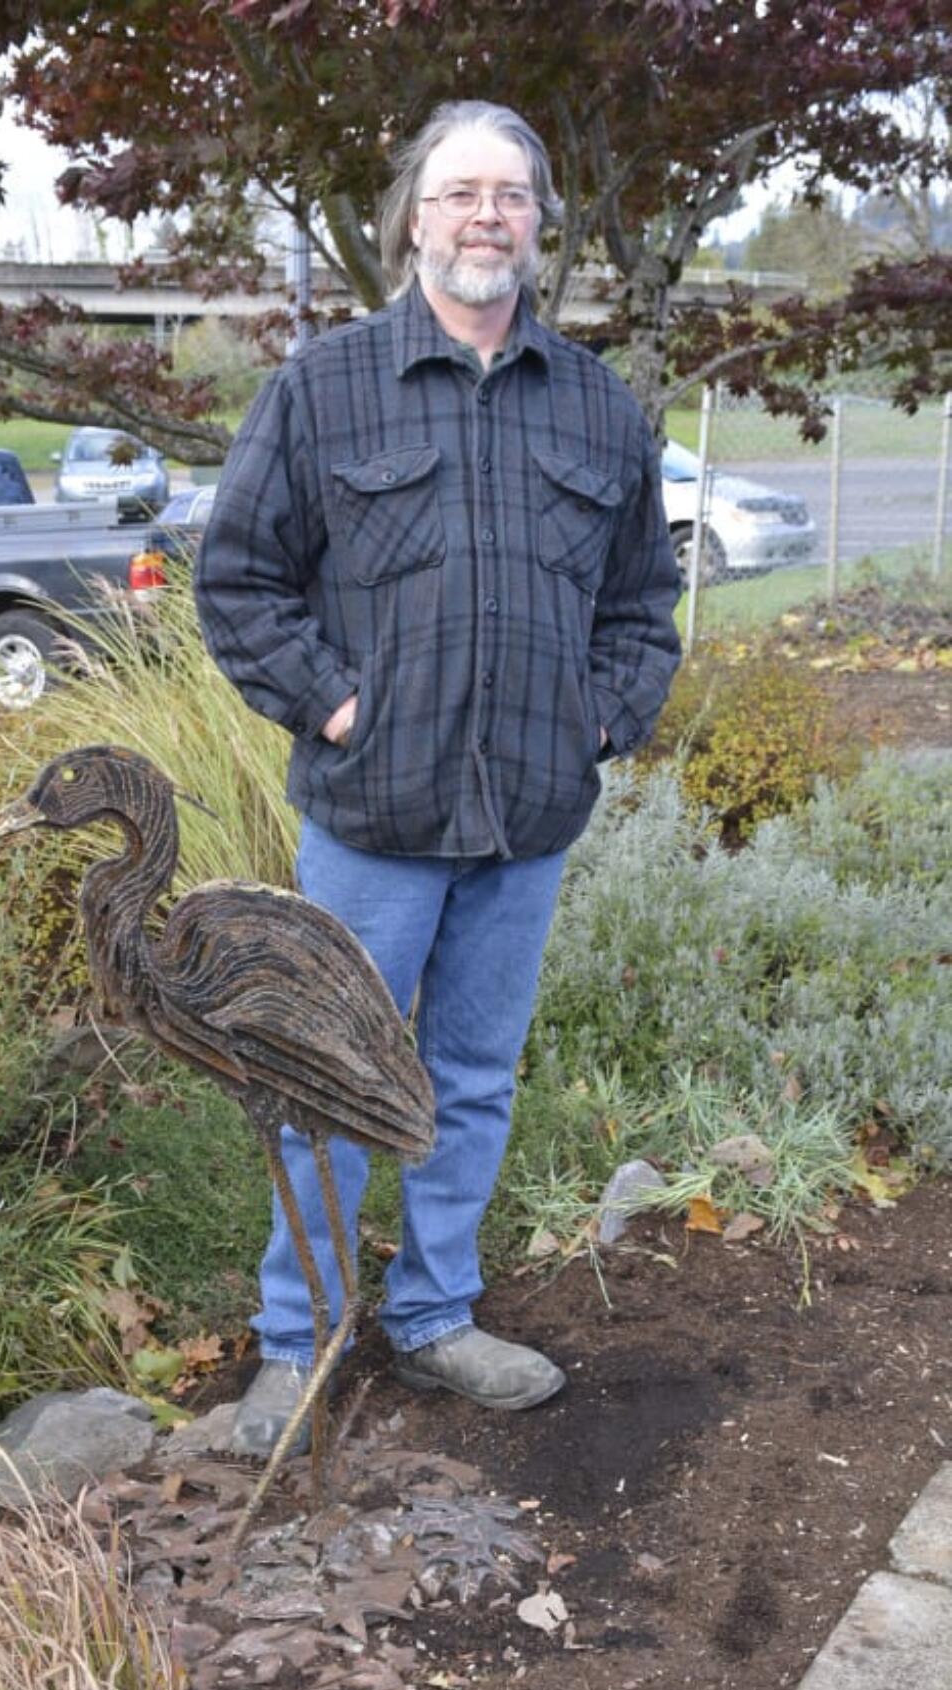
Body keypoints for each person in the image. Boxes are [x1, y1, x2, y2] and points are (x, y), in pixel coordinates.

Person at [194, 99, 681, 1457]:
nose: (487, 217)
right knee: (330, 1080)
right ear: (415, 215)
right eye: (462, 192)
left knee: (468, 1074)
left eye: (512, 195)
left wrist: (596, 719)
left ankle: (434, 1312)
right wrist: (338, 705)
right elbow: (236, 579)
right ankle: (298, 1343)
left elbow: (644, 606)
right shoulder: (325, 384)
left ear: (537, 222)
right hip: (370, 818)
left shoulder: (595, 405)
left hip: (525, 818)